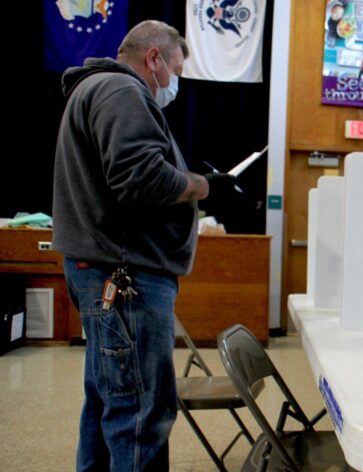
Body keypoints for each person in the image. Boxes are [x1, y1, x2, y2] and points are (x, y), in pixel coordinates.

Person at [52, 20, 236, 471]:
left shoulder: (96, 90)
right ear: (154, 59)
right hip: (125, 275)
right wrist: (203, 186)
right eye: (174, 69)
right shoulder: (122, 91)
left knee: (108, 403)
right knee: (140, 413)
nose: (173, 83)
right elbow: (141, 176)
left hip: (104, 270)